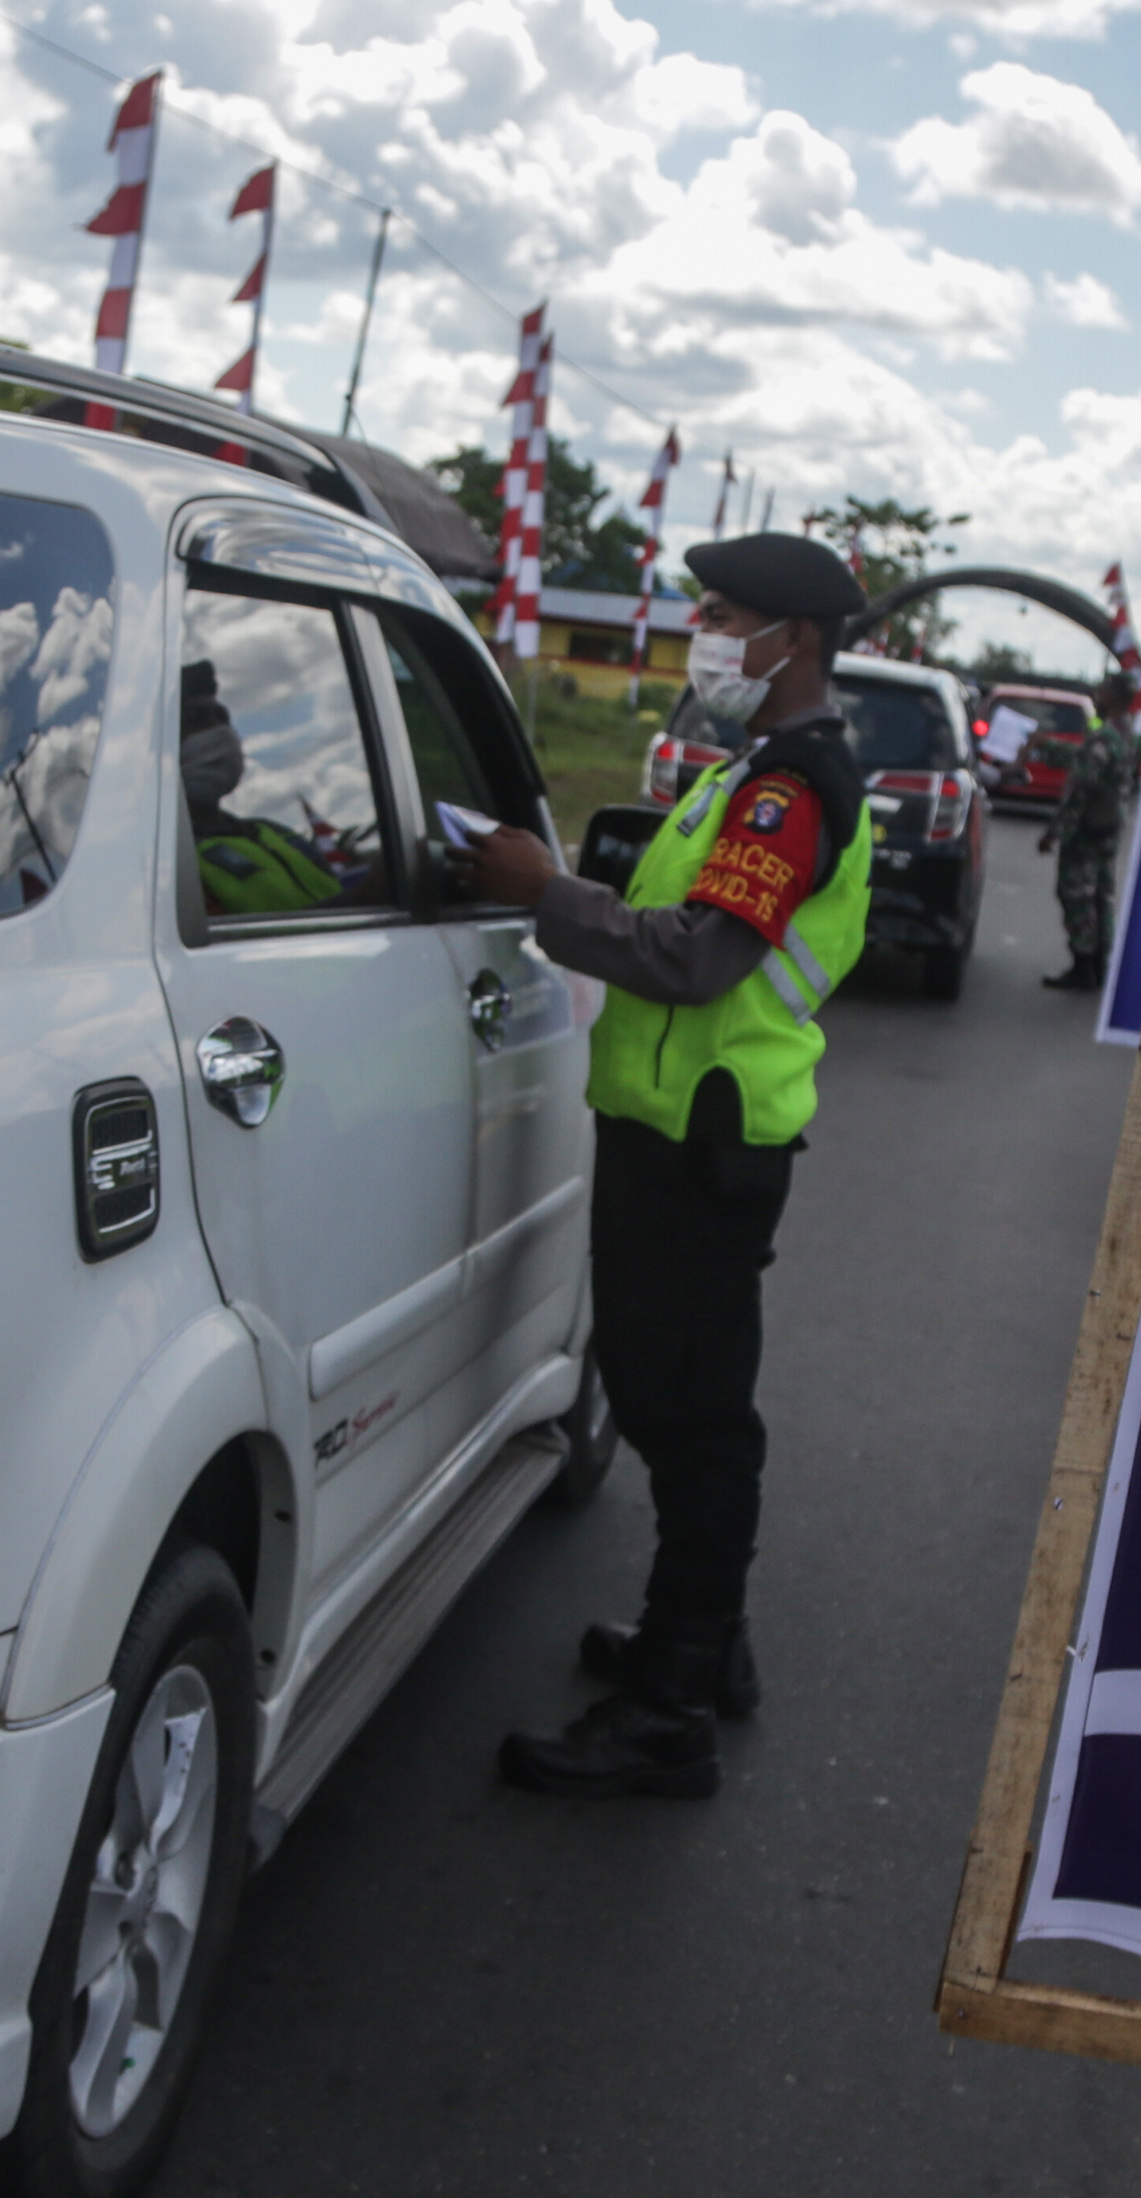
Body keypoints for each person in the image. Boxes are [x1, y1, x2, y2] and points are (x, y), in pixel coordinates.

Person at [448, 534, 874, 1799]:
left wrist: (545, 891)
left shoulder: (787, 791)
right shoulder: (751, 772)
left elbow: (694, 956)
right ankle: (703, 1639)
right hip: (679, 1129)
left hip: (703, 1141)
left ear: (793, 639)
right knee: (668, 1394)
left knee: (689, 1417)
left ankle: (668, 1711)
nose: (705, 632)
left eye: (725, 614)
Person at [180, 659, 355, 913]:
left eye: (221, 717)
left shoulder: (277, 834)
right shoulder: (166, 864)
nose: (220, 730)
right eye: (196, 718)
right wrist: (368, 892)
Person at [1042, 674, 1134, 993]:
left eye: (1102, 690)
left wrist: (1055, 830)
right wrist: (1049, 746)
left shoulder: (1106, 736)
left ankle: (1084, 964)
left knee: (1076, 895)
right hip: (1109, 829)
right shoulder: (1127, 734)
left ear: (1113, 696)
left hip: (1086, 832)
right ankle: (1100, 966)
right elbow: (1086, 759)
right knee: (1101, 895)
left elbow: (1082, 785)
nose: (1097, 695)